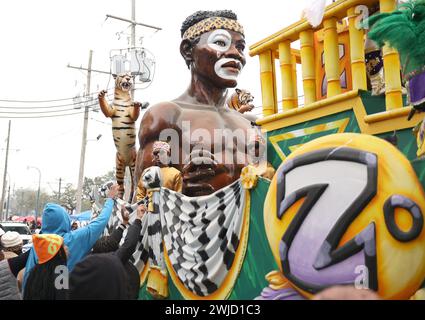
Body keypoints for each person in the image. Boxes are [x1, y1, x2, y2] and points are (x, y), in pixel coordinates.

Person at [135, 10, 255, 197]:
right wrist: (179, 190)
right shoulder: (165, 116)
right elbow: (145, 196)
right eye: (220, 43)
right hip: (190, 224)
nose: (235, 54)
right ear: (188, 50)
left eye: (240, 47)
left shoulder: (248, 124)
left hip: (250, 224)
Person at [22, 184, 120, 291]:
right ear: (65, 220)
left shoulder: (37, 245)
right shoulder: (72, 240)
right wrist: (110, 200)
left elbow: (27, 278)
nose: (66, 250)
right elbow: (99, 223)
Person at [91, 204, 146, 299]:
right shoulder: (113, 262)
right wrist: (138, 219)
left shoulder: (93, 262)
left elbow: (112, 240)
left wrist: (124, 223)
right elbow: (130, 244)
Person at [23, 234, 68, 300]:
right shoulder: (61, 272)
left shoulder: (34, 271)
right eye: (63, 245)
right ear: (57, 252)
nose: (66, 247)